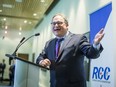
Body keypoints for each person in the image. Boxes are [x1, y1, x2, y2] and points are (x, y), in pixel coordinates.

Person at [36, 13, 104, 87]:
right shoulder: (49, 43)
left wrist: (95, 44)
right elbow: (40, 57)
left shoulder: (78, 39)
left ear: (67, 25)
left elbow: (91, 54)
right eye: (54, 23)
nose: (56, 25)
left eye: (59, 23)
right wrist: (42, 61)